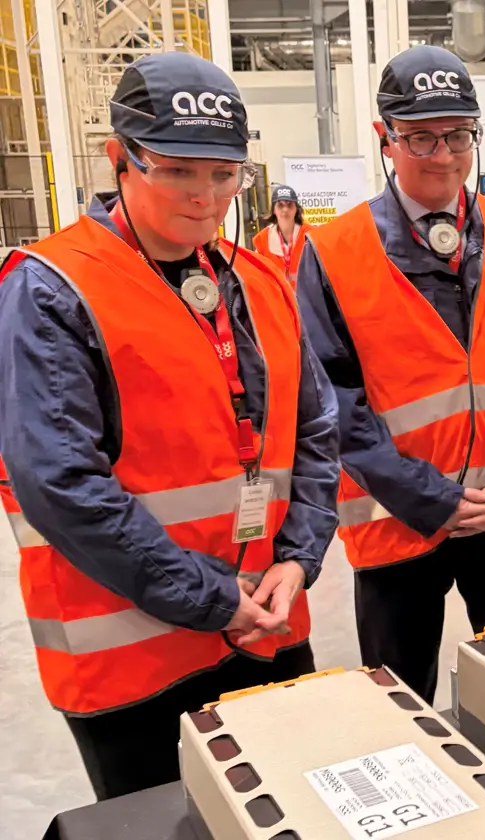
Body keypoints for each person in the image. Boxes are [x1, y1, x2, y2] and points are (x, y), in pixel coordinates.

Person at [0, 52, 340, 801]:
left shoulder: (255, 279)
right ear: (118, 158)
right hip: (132, 664)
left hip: (269, 621)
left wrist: (299, 558)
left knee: (290, 810)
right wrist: (212, 598)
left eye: (225, 175)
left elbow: (314, 430)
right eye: (179, 171)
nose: (205, 196)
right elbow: (59, 484)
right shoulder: (52, 288)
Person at [298, 45, 485, 704]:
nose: (444, 155)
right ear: (384, 140)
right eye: (421, 137)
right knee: (400, 703)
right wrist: (434, 499)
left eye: (458, 135)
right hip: (401, 525)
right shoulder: (333, 253)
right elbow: (333, 401)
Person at [252, 183, 310, 285]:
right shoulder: (262, 239)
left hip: (306, 297)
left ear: (296, 209)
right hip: (276, 297)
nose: (285, 209)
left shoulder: (310, 234)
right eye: (280, 205)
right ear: (273, 210)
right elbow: (256, 274)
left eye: (290, 205)